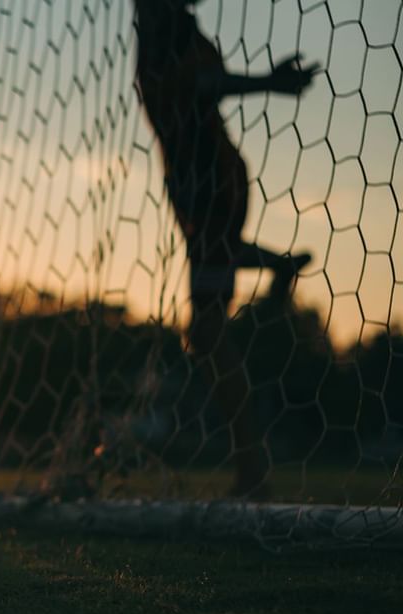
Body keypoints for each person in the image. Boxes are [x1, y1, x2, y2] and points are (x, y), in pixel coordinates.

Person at [134, 0, 319, 497]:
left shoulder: (174, 36)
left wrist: (268, 84)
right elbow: (199, 86)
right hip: (204, 184)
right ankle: (280, 265)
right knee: (207, 319)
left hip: (211, 182)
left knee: (208, 329)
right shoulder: (165, 33)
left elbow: (204, 86)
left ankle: (252, 471)